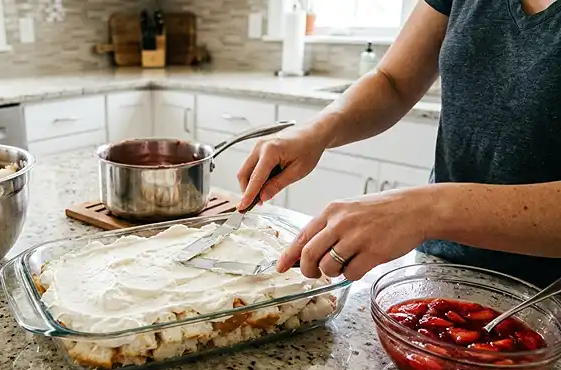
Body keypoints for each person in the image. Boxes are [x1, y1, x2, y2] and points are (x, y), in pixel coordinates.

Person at [237, 0, 561, 287]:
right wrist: (315, 131)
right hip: (441, 270)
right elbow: (392, 81)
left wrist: (426, 209)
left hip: (545, 294)